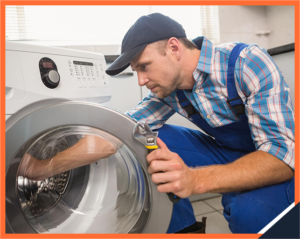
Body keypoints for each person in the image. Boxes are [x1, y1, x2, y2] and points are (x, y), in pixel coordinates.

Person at [106, 13, 295, 234]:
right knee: (145, 138)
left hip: (277, 160)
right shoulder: (169, 88)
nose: (141, 80)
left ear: (174, 48)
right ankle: (186, 230)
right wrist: (56, 160)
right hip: (229, 153)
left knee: (250, 214)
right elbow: (122, 128)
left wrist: (195, 180)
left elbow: (282, 154)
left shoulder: (246, 62)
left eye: (144, 66)